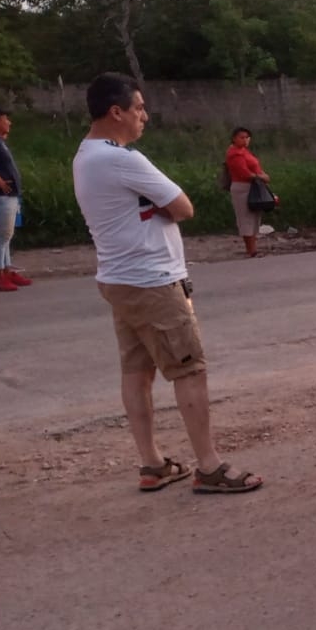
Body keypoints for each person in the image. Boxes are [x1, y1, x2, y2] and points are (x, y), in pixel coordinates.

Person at [72, 73, 263, 493]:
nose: (144, 116)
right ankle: (210, 467)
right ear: (116, 111)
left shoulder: (85, 155)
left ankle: (152, 463)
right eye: (138, 107)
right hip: (152, 278)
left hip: (119, 277)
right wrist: (161, 208)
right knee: (189, 369)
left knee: (137, 370)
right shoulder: (123, 159)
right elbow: (183, 206)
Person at [0, 104, 31, 292]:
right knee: (1, 237)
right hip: (0, 198)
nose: (9, 122)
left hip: (7, 197)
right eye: (5, 118)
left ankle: (7, 271)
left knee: (6, 237)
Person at [223, 127, 271, 258]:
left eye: (247, 137)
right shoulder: (234, 153)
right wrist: (261, 176)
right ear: (234, 138)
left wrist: (261, 175)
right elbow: (243, 172)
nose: (245, 140)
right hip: (242, 187)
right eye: (241, 137)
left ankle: (253, 248)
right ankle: (251, 250)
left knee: (254, 217)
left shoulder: (244, 151)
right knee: (246, 218)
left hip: (253, 186)